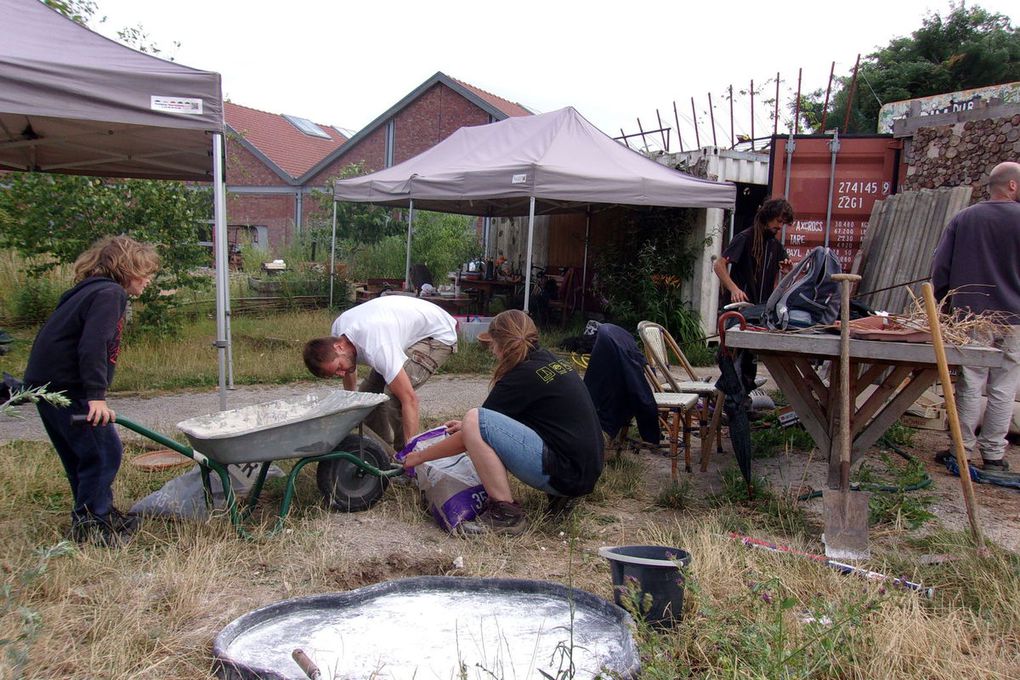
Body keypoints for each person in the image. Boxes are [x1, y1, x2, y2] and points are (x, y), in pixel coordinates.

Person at [400, 310, 605, 535]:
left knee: (474, 418)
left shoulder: (519, 376)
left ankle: (506, 514)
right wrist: (470, 427)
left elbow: (474, 431)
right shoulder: (547, 360)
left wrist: (419, 457)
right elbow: (500, 422)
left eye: (492, 345)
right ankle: (559, 497)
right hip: (583, 471)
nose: (492, 352)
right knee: (474, 422)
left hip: (566, 475)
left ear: (500, 345)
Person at [24, 235, 160, 546]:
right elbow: (93, 343)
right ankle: (95, 524)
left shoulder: (84, 292)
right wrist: (95, 396)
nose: (149, 279)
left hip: (47, 385)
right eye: (145, 271)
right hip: (68, 387)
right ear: (127, 269)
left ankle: (92, 514)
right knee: (103, 451)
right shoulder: (110, 294)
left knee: (82, 455)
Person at [931, 161, 1020, 471]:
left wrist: (941, 305)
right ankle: (994, 454)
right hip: (1015, 319)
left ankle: (961, 450)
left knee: (971, 382)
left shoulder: (964, 218)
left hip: (972, 317)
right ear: (1012, 185)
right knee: (1004, 387)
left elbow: (940, 266)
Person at [303, 295, 458, 451]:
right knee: (367, 397)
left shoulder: (377, 346)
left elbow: (409, 400)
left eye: (339, 368)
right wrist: (351, 402)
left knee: (394, 394)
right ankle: (382, 452)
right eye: (336, 373)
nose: (342, 374)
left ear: (339, 347)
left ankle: (406, 457)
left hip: (436, 335)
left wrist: (411, 453)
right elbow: (350, 374)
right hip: (404, 328)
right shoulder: (338, 331)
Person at [713, 197, 794, 306]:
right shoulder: (745, 238)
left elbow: (786, 269)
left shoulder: (776, 245)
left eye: (783, 223)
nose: (780, 226)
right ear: (768, 217)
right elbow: (719, 264)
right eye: (778, 221)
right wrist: (734, 289)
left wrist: (786, 271)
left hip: (761, 310)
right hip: (740, 307)